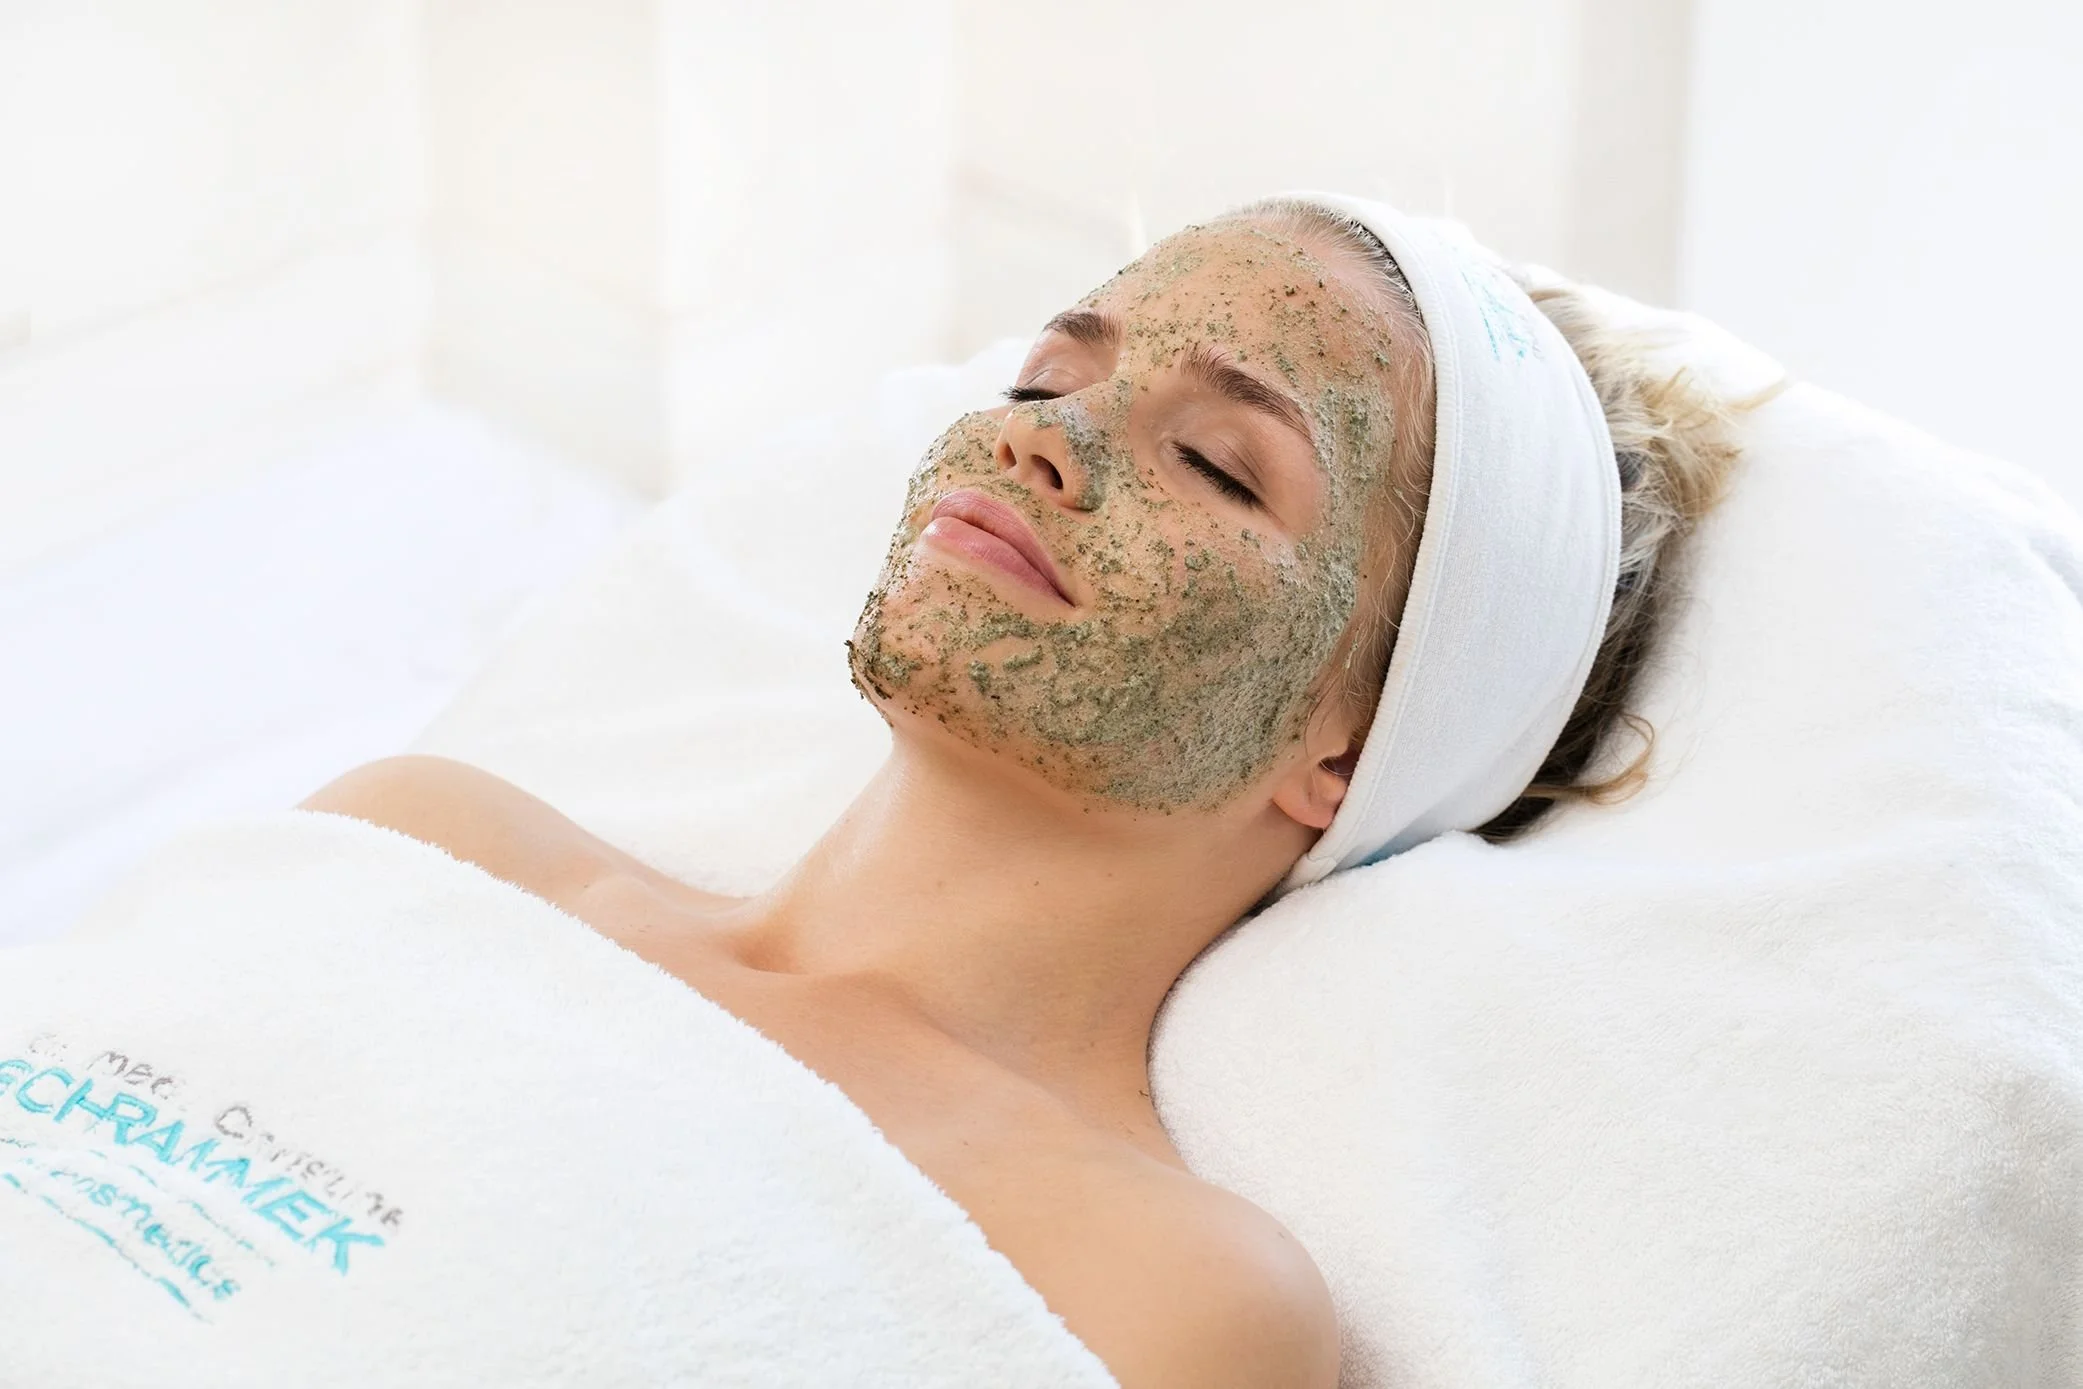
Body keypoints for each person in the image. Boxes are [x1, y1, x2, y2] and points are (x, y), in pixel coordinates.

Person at [304, 193, 1745, 1388]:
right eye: (1047, 380)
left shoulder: (1158, 1297)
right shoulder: (429, 846)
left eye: (1215, 463)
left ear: (1350, 752)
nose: (1040, 438)